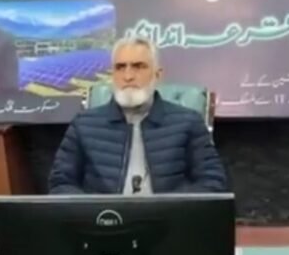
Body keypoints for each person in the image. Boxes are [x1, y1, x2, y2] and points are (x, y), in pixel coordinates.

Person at [48, 36, 228, 194]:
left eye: (138, 67)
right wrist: (94, 212)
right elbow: (61, 183)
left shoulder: (188, 122)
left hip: (169, 220)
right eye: (120, 67)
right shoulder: (84, 125)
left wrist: (173, 209)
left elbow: (212, 182)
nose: (128, 76)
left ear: (157, 75)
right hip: (103, 220)